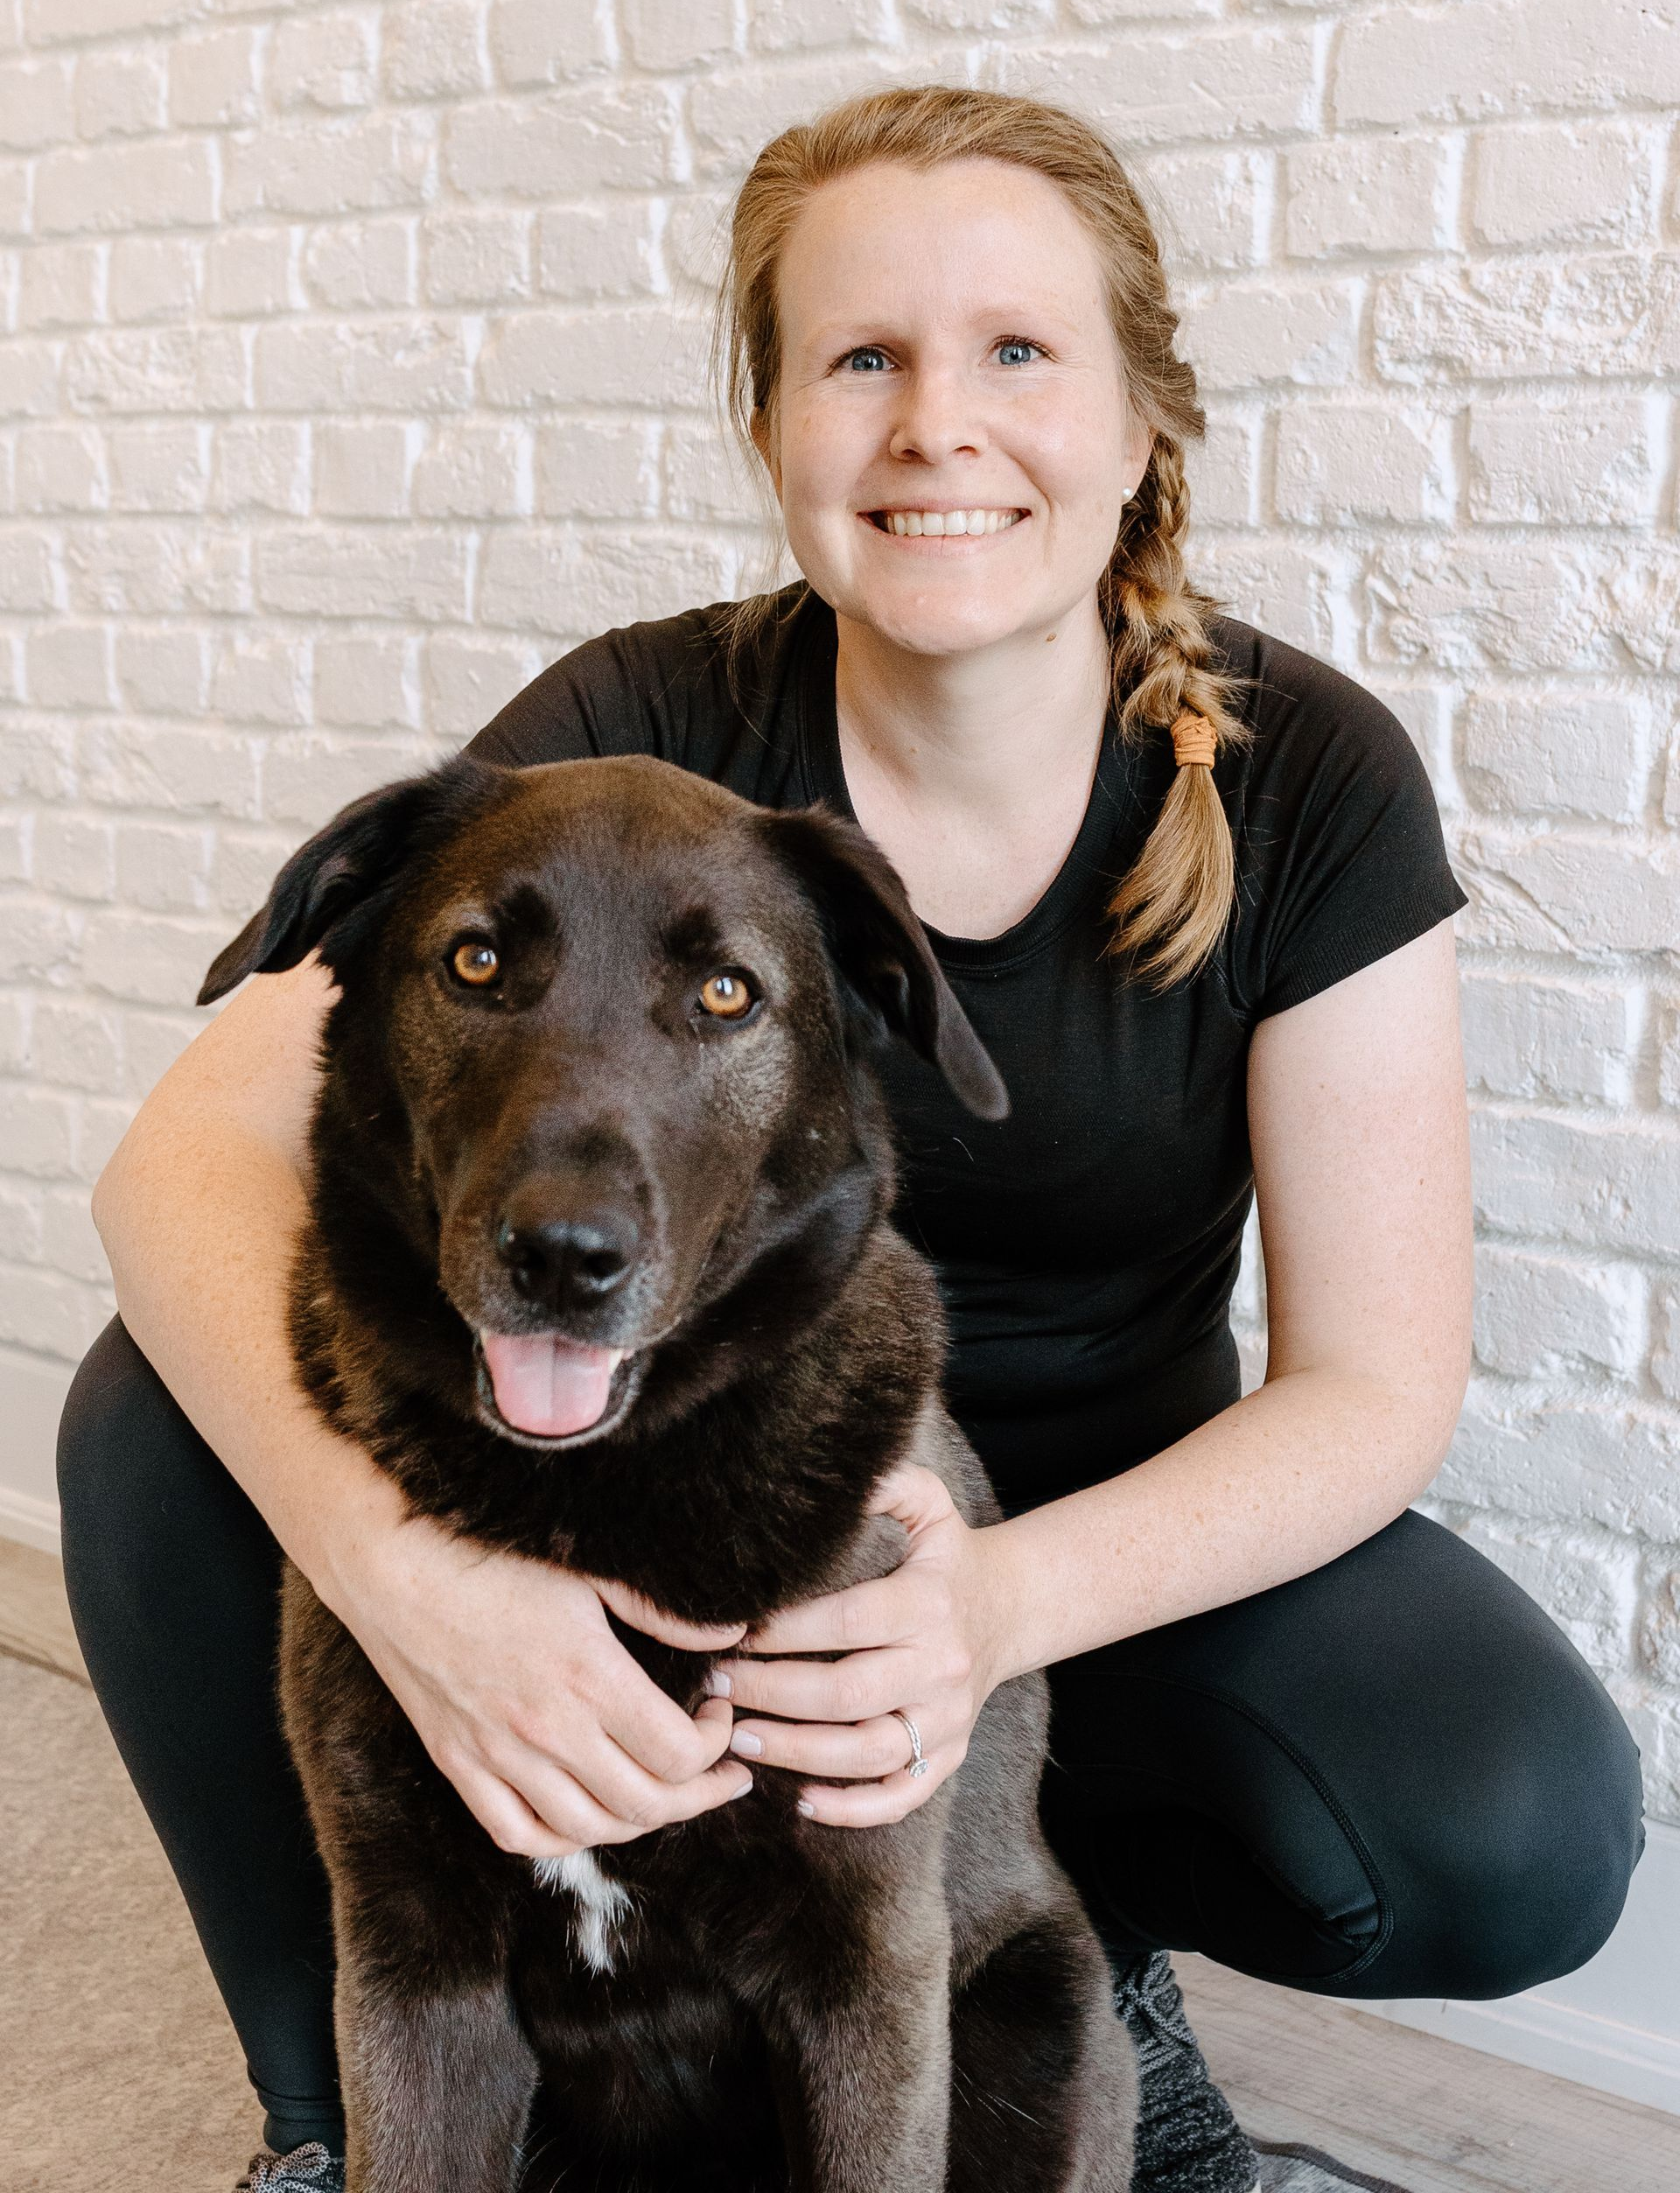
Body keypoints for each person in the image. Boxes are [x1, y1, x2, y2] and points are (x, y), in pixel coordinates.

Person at [60, 84, 1642, 2193]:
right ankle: (324, 2118)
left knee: (1506, 1810)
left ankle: (1052, 1931)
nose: (934, 424)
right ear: (778, 420)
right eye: (862, 357)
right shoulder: (642, 736)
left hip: (1091, 1544)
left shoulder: (1305, 776)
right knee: (152, 1417)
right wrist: (410, 1573)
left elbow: (1377, 1381)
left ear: (1141, 412)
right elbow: (179, 1154)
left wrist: (986, 1614)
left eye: (1014, 350)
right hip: (650, 1473)